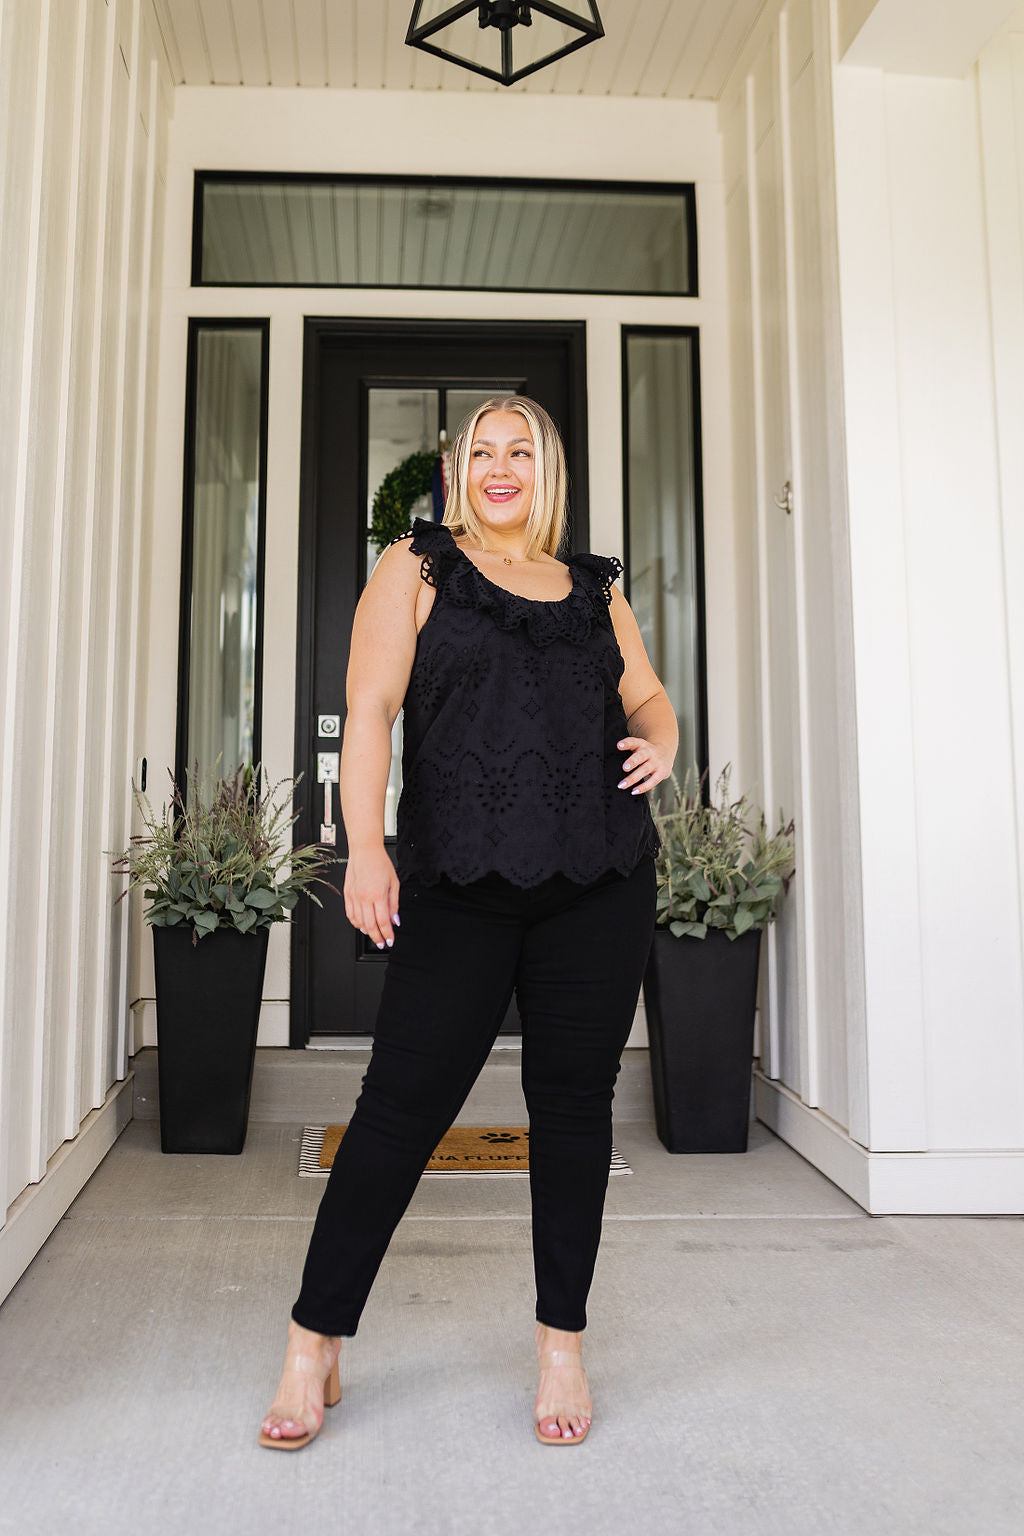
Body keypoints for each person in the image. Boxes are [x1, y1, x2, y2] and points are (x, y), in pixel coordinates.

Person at [259, 395, 678, 1450]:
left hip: (600, 881)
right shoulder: (417, 566)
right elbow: (369, 711)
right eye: (482, 451)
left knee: (574, 1113)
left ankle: (561, 1345)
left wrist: (662, 743)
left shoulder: (595, 589)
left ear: (546, 473)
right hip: (460, 881)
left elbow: (649, 699)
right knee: (399, 1111)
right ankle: (313, 1341)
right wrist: (365, 847)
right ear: (456, 471)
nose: (500, 468)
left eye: (519, 452)